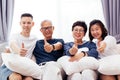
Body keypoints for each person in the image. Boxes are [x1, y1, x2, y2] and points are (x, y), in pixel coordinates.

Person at [0, 13, 37, 80]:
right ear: (20, 23)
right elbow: (12, 44)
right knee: (17, 78)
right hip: (11, 66)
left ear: (32, 24)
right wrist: (19, 50)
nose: (26, 25)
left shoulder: (35, 38)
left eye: (28, 23)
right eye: (24, 23)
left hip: (25, 67)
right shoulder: (14, 36)